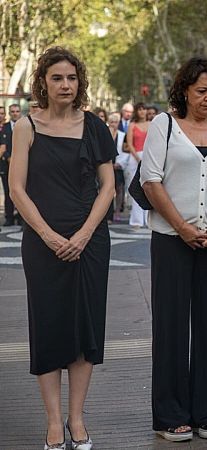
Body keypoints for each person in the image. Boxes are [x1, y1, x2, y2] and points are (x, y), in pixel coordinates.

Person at [9, 46, 117, 450]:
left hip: (90, 242)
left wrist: (85, 234)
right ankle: (53, 423)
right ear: (43, 82)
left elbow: (108, 187)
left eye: (71, 77)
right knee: (50, 326)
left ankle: (77, 419)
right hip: (42, 244)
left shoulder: (94, 126)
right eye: (57, 78)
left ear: (80, 81)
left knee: (85, 328)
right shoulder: (26, 127)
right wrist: (50, 236)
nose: (65, 85)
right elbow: (16, 189)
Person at [140, 57, 207, 442]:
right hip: (171, 241)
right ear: (184, 89)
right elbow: (151, 181)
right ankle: (170, 415)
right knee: (170, 326)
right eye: (202, 91)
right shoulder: (163, 125)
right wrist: (182, 227)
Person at [125, 102, 149, 228]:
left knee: (149, 188)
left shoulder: (152, 124)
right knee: (135, 188)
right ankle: (136, 220)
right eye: (139, 109)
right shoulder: (132, 125)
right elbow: (129, 144)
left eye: (143, 109)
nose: (142, 111)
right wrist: (137, 157)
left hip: (149, 156)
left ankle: (148, 219)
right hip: (135, 158)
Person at [0, 103, 22, 226]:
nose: (15, 113)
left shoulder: (26, 125)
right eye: (12, 111)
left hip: (23, 166)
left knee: (21, 193)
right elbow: (3, 145)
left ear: (20, 112)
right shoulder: (4, 127)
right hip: (7, 165)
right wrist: (9, 158)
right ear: (9, 113)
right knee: (9, 192)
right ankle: (9, 218)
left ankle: (21, 218)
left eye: (17, 111)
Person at [107, 112, 128, 222]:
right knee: (107, 189)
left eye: (115, 122)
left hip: (118, 166)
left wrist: (119, 164)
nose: (113, 124)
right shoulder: (105, 134)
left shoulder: (123, 135)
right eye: (111, 122)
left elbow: (125, 152)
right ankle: (108, 214)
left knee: (119, 189)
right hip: (107, 166)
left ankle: (117, 211)